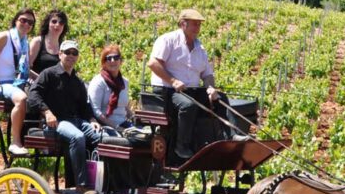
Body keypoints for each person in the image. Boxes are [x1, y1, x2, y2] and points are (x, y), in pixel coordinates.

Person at [147, 8, 244, 160]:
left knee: (221, 98)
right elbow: (153, 63)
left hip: (191, 90)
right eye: (194, 24)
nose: (198, 28)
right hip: (167, 90)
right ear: (182, 24)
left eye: (199, 24)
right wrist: (173, 81)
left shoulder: (200, 48)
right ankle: (182, 146)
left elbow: (207, 74)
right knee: (188, 105)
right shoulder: (168, 40)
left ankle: (233, 136)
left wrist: (211, 88)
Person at [28, 39, 102, 194]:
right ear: (59, 54)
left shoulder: (77, 81)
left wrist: (93, 120)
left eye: (74, 53)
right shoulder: (48, 74)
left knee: (101, 137)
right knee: (78, 137)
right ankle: (81, 185)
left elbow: (85, 106)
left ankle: (100, 181)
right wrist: (47, 112)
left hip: (77, 121)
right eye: (67, 52)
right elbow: (33, 95)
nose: (71, 55)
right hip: (57, 123)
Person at [0, 8, 35, 156]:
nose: (26, 24)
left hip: (17, 82)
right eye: (23, 20)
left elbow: (25, 69)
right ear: (15, 21)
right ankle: (15, 142)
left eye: (30, 22)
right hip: (2, 84)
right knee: (21, 98)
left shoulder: (25, 43)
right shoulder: (4, 37)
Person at [88, 43, 133, 136]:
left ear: (121, 61)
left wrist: (134, 117)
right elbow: (96, 111)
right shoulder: (98, 82)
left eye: (116, 57)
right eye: (109, 58)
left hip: (123, 123)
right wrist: (116, 127)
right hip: (105, 125)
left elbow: (124, 107)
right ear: (103, 63)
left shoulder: (124, 82)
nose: (113, 61)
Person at [29, 9, 68, 78]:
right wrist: (41, 80)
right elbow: (26, 68)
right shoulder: (37, 42)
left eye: (61, 23)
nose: (57, 24)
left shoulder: (63, 46)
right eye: (54, 21)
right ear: (48, 23)